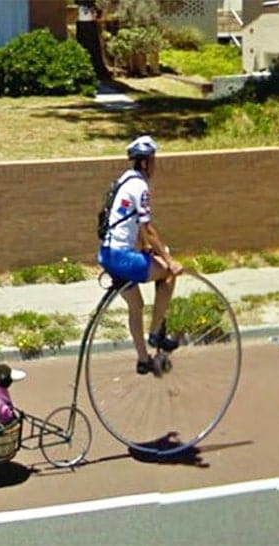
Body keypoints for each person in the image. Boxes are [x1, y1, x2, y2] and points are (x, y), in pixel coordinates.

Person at [97, 135, 183, 375]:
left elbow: (127, 223)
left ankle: (143, 360)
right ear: (145, 162)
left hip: (107, 255)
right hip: (122, 258)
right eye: (153, 161)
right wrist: (169, 261)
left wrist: (144, 246)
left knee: (136, 305)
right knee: (168, 274)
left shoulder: (124, 180)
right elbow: (148, 228)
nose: (155, 166)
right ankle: (156, 334)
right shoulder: (140, 187)